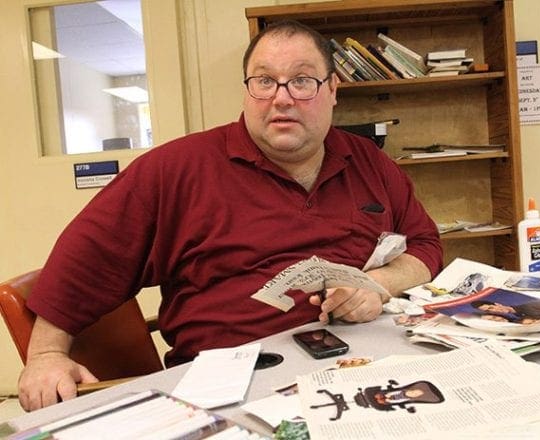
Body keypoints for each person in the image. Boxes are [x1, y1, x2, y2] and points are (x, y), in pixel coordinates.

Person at [17, 20, 443, 411]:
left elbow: (425, 245)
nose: (281, 97)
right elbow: (83, 261)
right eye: (264, 81)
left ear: (332, 89)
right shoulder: (174, 169)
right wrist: (46, 355)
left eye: (301, 81)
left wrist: (378, 284)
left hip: (361, 360)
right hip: (236, 384)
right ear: (247, 89)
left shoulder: (367, 159)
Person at [470, 296, 540, 324]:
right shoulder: (519, 317)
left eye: (491, 308)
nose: (494, 311)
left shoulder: (531, 306)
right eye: (489, 312)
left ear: (498, 303)